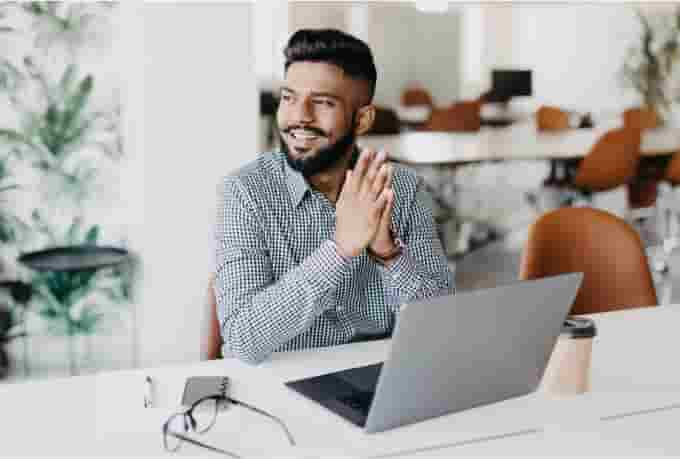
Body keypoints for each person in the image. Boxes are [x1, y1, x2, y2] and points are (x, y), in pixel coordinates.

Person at [214, 28, 455, 364]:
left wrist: (389, 255)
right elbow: (242, 339)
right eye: (289, 97)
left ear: (363, 119)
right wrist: (340, 250)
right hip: (281, 383)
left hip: (378, 378)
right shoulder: (246, 192)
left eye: (323, 102)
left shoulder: (401, 188)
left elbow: (441, 327)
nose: (299, 116)